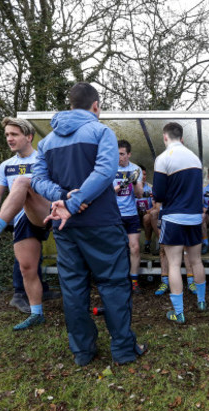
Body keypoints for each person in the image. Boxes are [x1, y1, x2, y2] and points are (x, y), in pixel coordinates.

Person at [31, 82, 145, 366]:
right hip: (102, 224)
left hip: (65, 228)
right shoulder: (101, 131)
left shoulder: (46, 142)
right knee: (115, 285)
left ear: (70, 105)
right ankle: (123, 350)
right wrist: (71, 202)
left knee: (73, 289)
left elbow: (37, 180)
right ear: (96, 106)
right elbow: (106, 171)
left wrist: (61, 197)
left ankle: (83, 352)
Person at [0, 117, 52, 331]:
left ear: (29, 137)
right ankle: (37, 313)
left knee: (23, 181)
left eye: (14, 134)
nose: (9, 138)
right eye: (7, 135)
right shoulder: (6, 166)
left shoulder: (44, 159)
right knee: (26, 267)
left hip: (48, 211)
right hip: (23, 218)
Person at [153, 122, 207, 323]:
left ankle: (179, 312)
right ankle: (201, 302)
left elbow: (158, 194)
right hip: (194, 217)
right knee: (196, 261)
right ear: (182, 138)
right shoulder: (195, 159)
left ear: (165, 137)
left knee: (174, 264)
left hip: (173, 217)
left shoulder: (163, 159)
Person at [114, 140, 144, 294]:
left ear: (129, 154)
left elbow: (139, 195)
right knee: (116, 248)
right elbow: (107, 192)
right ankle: (118, 281)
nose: (119, 157)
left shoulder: (135, 169)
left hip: (131, 214)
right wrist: (124, 184)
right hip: (114, 215)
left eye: (122, 154)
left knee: (135, 247)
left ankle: (134, 280)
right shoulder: (110, 168)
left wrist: (136, 183)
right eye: (117, 154)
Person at [136, 165, 155, 254]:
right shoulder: (131, 188)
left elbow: (155, 206)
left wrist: (147, 211)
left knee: (147, 217)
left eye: (144, 174)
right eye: (141, 175)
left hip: (146, 214)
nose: (143, 177)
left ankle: (147, 244)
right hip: (134, 215)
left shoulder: (150, 189)